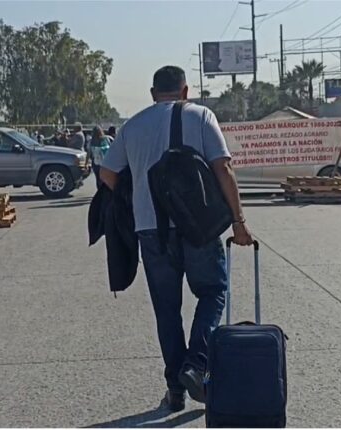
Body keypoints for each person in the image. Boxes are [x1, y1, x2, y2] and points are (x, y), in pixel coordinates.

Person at [99, 65, 253, 412]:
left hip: (151, 230)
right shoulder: (201, 116)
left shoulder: (132, 126)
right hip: (198, 227)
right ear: (185, 91)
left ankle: (175, 391)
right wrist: (238, 222)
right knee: (213, 292)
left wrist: (137, 191)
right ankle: (195, 365)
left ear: (153, 94)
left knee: (167, 310)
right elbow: (223, 168)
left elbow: (108, 174)